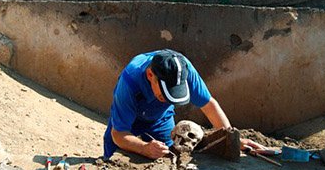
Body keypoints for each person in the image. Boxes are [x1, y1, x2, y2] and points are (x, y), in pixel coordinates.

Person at [103, 49, 261, 159]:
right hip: (127, 120)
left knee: (167, 158)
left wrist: (232, 139)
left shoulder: (183, 69)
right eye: (164, 94)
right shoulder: (130, 80)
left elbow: (209, 105)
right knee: (112, 164)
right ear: (150, 75)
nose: (168, 98)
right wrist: (143, 148)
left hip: (160, 119)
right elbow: (118, 134)